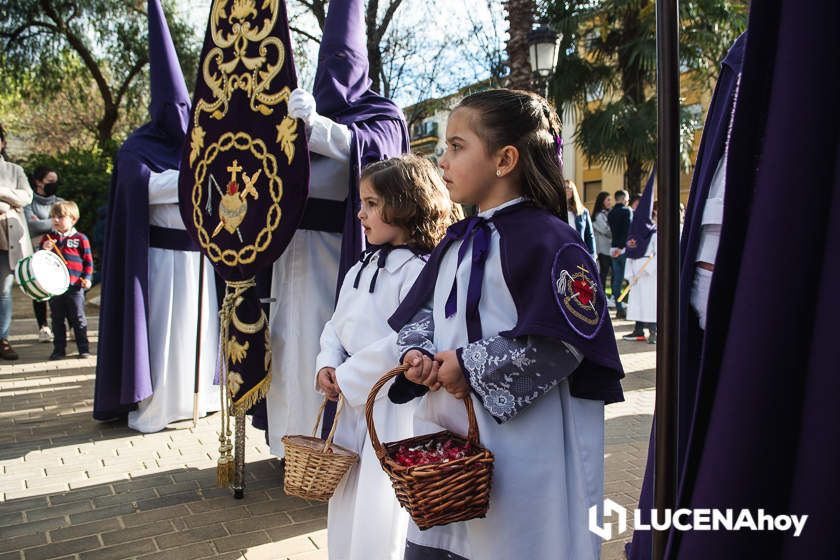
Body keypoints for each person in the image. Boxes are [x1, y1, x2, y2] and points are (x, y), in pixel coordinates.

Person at [386, 89, 624, 560]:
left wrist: (468, 365)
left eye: (456, 146)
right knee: (451, 538)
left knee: (512, 539)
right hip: (453, 439)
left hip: (522, 441)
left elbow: (565, 341)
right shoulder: (456, 241)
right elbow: (426, 313)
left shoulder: (550, 240)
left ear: (505, 159)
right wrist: (416, 353)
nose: (442, 158)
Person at [263, 0, 410, 455]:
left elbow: (375, 159)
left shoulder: (381, 114)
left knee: (333, 342)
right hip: (289, 254)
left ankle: (335, 445)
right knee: (291, 347)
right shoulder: (296, 111)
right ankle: (292, 445)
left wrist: (320, 129)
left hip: (343, 252)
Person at [315, 155, 459, 560]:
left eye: (372, 204)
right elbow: (336, 324)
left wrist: (347, 376)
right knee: (347, 503)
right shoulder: (360, 266)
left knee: (380, 508)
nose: (360, 214)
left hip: (392, 413)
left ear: (406, 203)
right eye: (361, 203)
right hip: (352, 406)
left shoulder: (422, 270)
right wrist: (327, 362)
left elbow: (406, 338)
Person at [94, 0, 219, 428]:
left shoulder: (198, 146)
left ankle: (195, 400)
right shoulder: (136, 147)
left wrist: (196, 176)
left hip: (200, 259)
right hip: (160, 262)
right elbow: (140, 189)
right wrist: (191, 178)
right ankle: (159, 405)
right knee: (166, 334)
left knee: (196, 334)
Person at [40, 201, 92, 359]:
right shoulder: (48, 238)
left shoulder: (80, 238)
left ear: (73, 219)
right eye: (53, 217)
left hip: (75, 286)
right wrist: (44, 249)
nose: (55, 220)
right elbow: (40, 260)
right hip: (55, 287)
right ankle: (58, 349)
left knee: (78, 317)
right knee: (57, 319)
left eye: (60, 217)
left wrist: (87, 278)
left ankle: (83, 348)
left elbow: (88, 262)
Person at [0, 124, 34, 361]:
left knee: (3, 292)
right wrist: (7, 202)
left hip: (8, 239)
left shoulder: (14, 170)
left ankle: (3, 339)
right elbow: (15, 200)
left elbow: (26, 197)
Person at [25, 166, 63, 343]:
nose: (53, 184)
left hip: (59, 253)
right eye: (49, 181)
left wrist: (43, 223)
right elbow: (32, 226)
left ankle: (65, 325)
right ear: (39, 182)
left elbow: (69, 222)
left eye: (55, 181)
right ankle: (43, 326)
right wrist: (56, 222)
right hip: (36, 252)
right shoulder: (28, 202)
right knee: (39, 291)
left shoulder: (61, 202)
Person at [623, 177, 658, 344]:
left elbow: (657, 255)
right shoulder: (633, 233)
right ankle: (638, 330)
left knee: (650, 303)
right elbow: (629, 252)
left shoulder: (655, 234)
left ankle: (654, 332)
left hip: (649, 275)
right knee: (637, 303)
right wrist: (630, 273)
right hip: (635, 273)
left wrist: (646, 270)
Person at [608, 189, 632, 319]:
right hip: (623, 250)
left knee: (617, 280)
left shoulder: (611, 213)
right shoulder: (627, 211)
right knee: (629, 279)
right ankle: (628, 306)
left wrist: (616, 248)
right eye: (627, 199)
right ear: (623, 199)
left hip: (613, 249)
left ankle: (619, 308)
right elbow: (628, 231)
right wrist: (621, 247)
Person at [564, 179, 596, 257]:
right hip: (563, 250)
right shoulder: (556, 211)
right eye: (564, 188)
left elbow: (589, 235)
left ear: (573, 191)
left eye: (569, 188)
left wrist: (593, 255)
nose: (566, 190)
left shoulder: (583, 211)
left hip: (579, 250)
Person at [591, 190, 613, 294]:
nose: (610, 202)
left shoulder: (607, 213)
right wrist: (616, 232)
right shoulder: (598, 216)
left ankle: (609, 296)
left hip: (608, 249)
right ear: (602, 201)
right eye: (608, 200)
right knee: (603, 273)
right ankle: (603, 295)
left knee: (610, 273)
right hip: (602, 249)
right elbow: (606, 230)